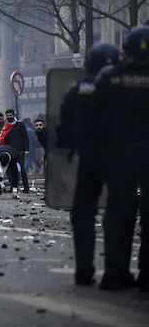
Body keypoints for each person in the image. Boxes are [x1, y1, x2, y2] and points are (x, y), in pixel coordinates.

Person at [58, 42, 120, 287]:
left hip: (90, 158)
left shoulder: (78, 90)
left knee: (83, 212)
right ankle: (117, 271)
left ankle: (84, 269)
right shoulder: (123, 87)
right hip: (121, 159)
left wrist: (69, 148)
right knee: (119, 212)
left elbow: (64, 127)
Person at [93, 28, 149, 291]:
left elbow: (96, 118)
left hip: (119, 155)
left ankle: (115, 271)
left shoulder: (110, 77)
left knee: (119, 214)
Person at [0, 109, 29, 192]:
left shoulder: (20, 124)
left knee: (22, 169)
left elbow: (25, 137)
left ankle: (26, 187)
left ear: (13, 115)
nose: (9, 117)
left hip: (20, 150)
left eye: (10, 115)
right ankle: (13, 187)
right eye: (7, 115)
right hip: (9, 150)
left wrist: (26, 149)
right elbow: (2, 138)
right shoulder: (5, 126)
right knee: (10, 169)